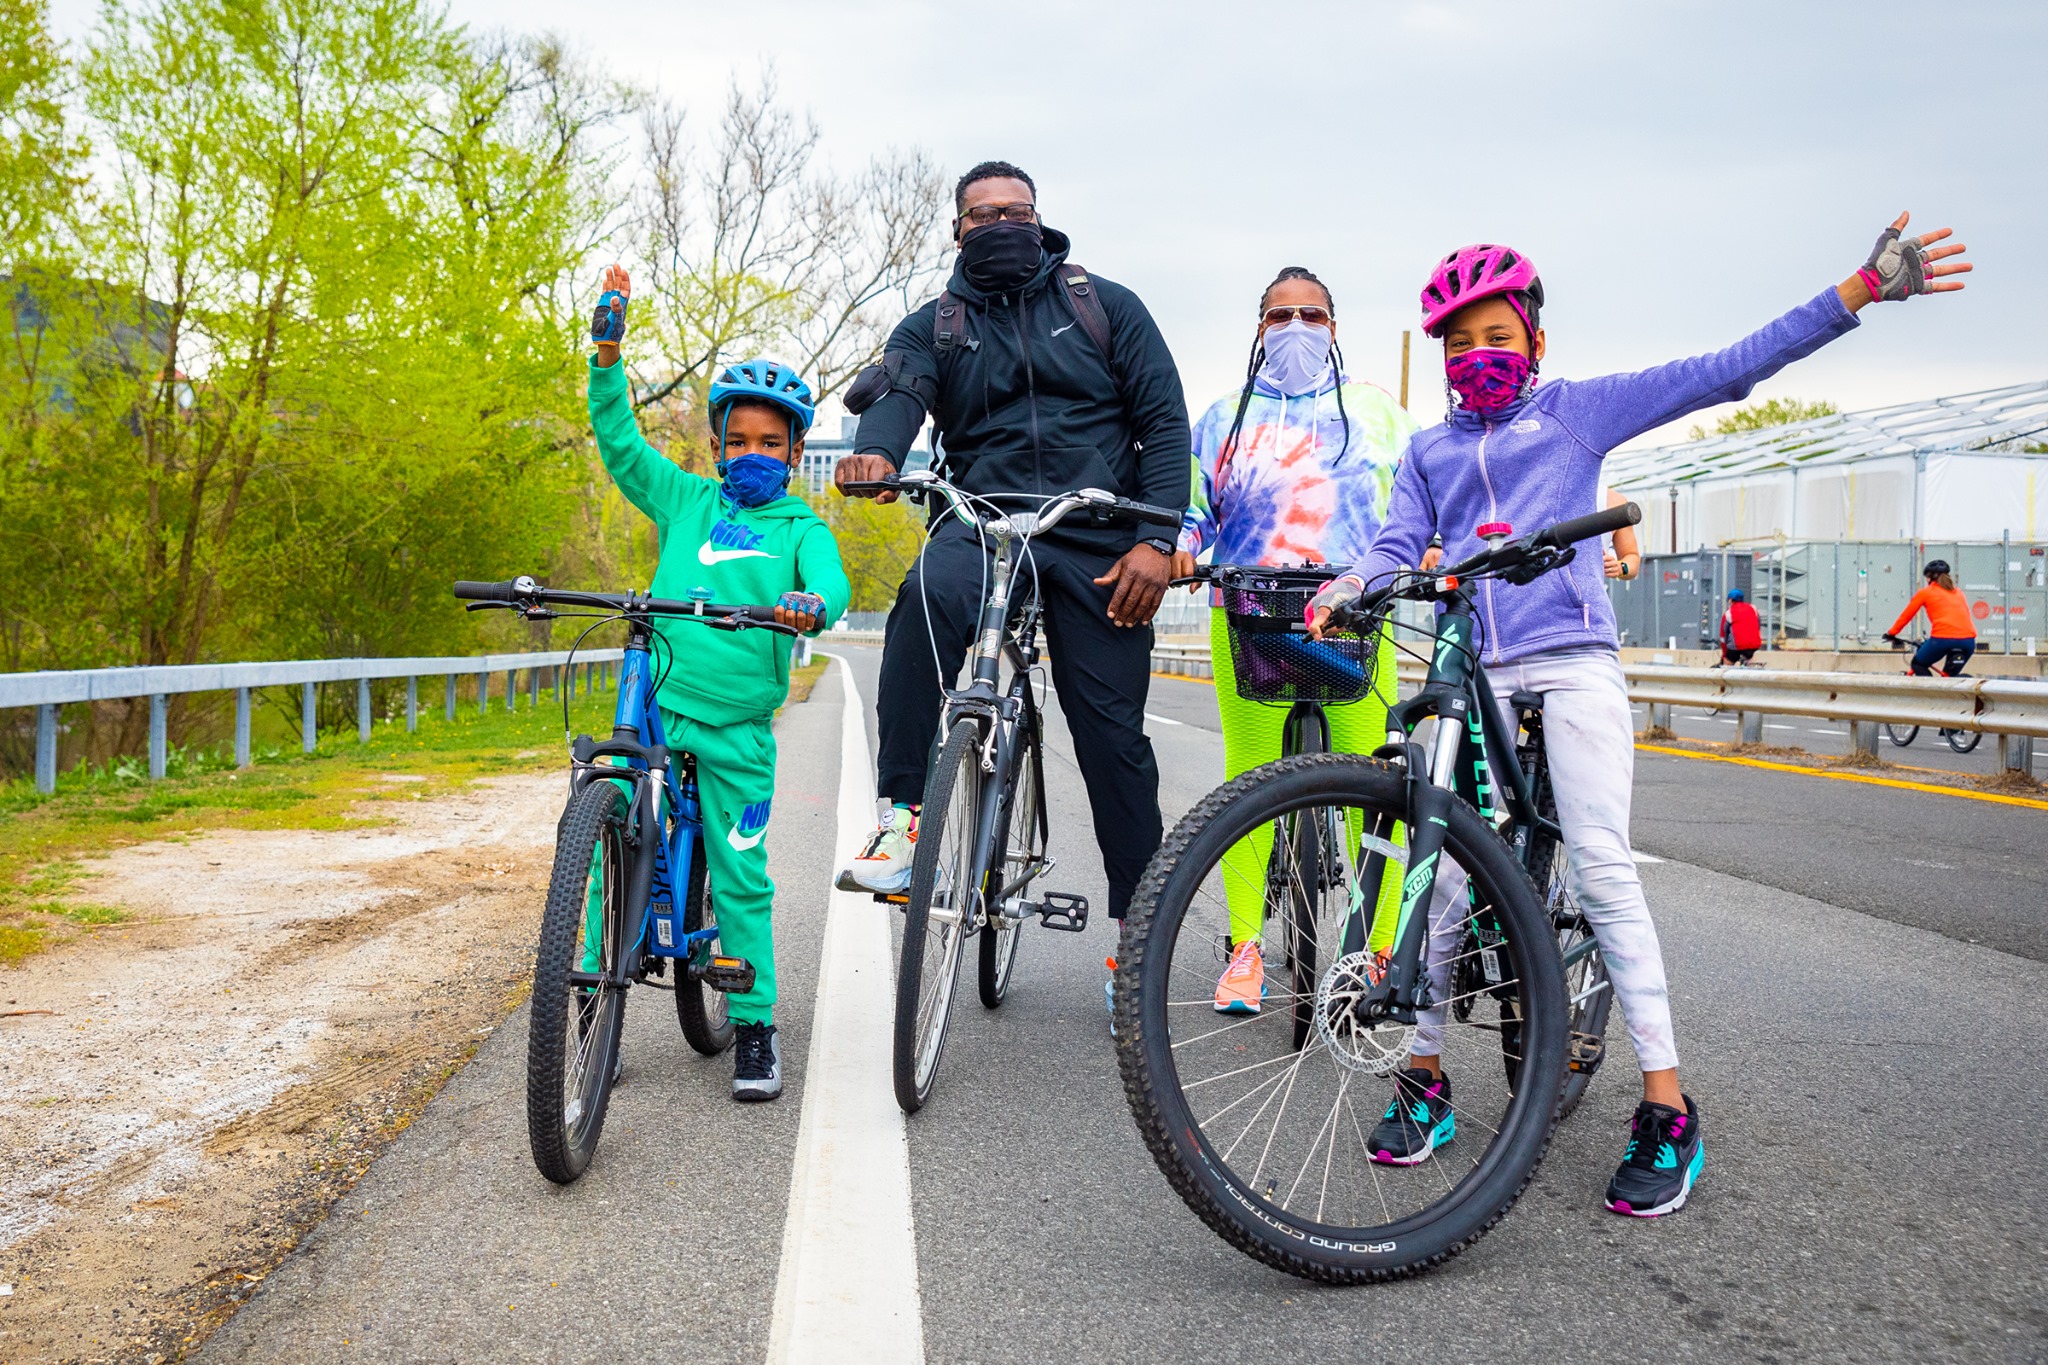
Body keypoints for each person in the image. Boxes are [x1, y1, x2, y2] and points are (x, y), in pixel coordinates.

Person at [1309, 213, 1970, 1215]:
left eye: (1497, 337)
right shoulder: (1429, 450)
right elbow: (1397, 544)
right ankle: (1427, 1078)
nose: (1477, 357)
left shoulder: (1578, 413)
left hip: (1570, 662)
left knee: (1604, 866)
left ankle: (1666, 1107)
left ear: (1533, 340)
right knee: (1439, 883)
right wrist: (1349, 583)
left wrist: (1860, 290)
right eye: (1458, 342)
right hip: (1477, 666)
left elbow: (1725, 371)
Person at [832, 161, 1191, 947]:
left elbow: (1165, 423)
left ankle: (1141, 934)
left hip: (1100, 530)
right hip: (985, 519)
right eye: (982, 214)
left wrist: (1156, 538)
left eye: (1015, 211)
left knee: (1111, 736)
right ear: (958, 230)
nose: (1001, 224)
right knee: (925, 598)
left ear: (1040, 220)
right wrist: (876, 455)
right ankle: (901, 822)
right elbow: (898, 396)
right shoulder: (935, 325)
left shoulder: (1106, 308)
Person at [587, 264, 852, 1101]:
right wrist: (606, 354)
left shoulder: (801, 524)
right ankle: (595, 1001)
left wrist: (810, 605)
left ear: (797, 450)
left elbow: (832, 585)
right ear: (716, 444)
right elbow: (622, 445)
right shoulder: (687, 501)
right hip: (661, 704)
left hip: (739, 728)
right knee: (608, 845)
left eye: (772, 443)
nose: (754, 455)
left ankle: (756, 1025)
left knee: (741, 871)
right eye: (739, 440)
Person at [1171, 266, 1418, 1014]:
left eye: (1312, 315)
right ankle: (1245, 947)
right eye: (1280, 317)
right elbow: (1193, 512)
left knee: (1370, 787)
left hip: (1353, 615)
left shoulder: (1380, 413)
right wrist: (1183, 545)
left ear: (1335, 329)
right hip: (1248, 609)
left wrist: (1430, 548)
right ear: (1259, 329)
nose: (1297, 329)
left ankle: (1377, 952)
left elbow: (1422, 500)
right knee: (1247, 780)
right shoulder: (1221, 418)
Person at [1885, 559, 1977, 675]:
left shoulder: (1925, 593)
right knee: (1950, 678)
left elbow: (1906, 615)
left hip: (1942, 640)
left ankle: (1928, 692)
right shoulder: (1959, 593)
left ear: (1929, 578)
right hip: (1968, 642)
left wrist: (1892, 633)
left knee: (1918, 664)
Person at [1719, 588, 1763, 665]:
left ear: (1730, 600)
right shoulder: (1753, 608)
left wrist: (1724, 654)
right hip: (1754, 645)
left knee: (1727, 662)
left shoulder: (1728, 613)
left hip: (1736, 647)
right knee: (1749, 658)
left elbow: (1723, 636)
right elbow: (1758, 625)